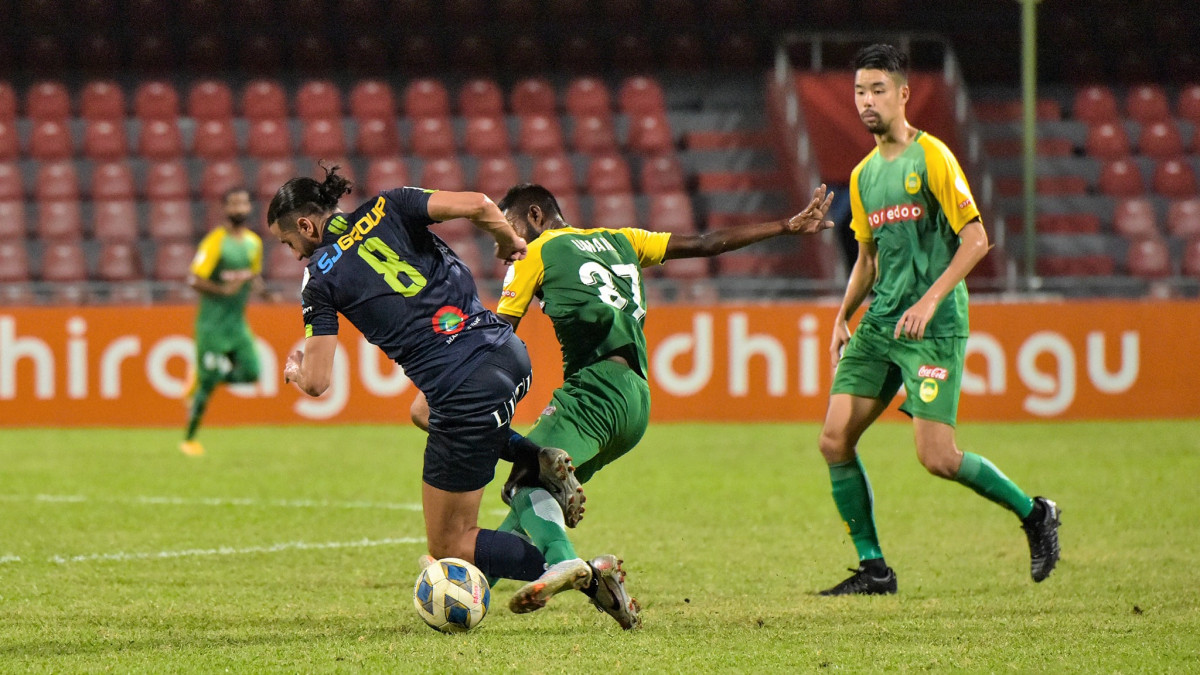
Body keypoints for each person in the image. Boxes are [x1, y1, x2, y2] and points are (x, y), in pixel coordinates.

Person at [411, 181, 835, 617]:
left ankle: (563, 561)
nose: (506, 245)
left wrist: (444, 391)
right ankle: (515, 586)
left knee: (523, 481)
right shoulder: (622, 240)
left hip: (594, 389)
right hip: (636, 399)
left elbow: (493, 343)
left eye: (510, 229)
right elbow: (706, 243)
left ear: (535, 216)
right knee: (539, 503)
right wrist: (786, 226)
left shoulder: (535, 253)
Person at [266, 166, 640, 630]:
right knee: (421, 411)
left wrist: (296, 371)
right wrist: (507, 240)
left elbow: (318, 382)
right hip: (508, 354)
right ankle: (534, 456)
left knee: (449, 543)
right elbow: (480, 204)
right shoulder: (390, 202)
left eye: (288, 242)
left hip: (462, 386)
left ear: (306, 225)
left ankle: (578, 571)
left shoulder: (318, 278)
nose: (293, 253)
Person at [814, 44, 1060, 596]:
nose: (867, 101)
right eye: (859, 91)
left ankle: (1036, 513)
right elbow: (868, 259)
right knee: (834, 441)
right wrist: (841, 316)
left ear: (903, 94)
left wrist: (928, 302)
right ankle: (874, 570)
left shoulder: (933, 158)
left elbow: (976, 239)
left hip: (933, 325)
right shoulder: (862, 176)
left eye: (878, 90)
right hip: (882, 323)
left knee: (938, 458)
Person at [181, 188, 265, 457]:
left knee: (252, 372)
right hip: (212, 325)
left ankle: (205, 377)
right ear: (225, 209)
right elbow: (194, 279)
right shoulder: (215, 242)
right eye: (234, 204)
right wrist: (223, 290)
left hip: (237, 324)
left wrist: (264, 292)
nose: (239, 208)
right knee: (206, 386)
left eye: (243, 203)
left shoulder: (254, 243)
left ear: (249, 207)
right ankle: (189, 440)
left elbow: (252, 275)